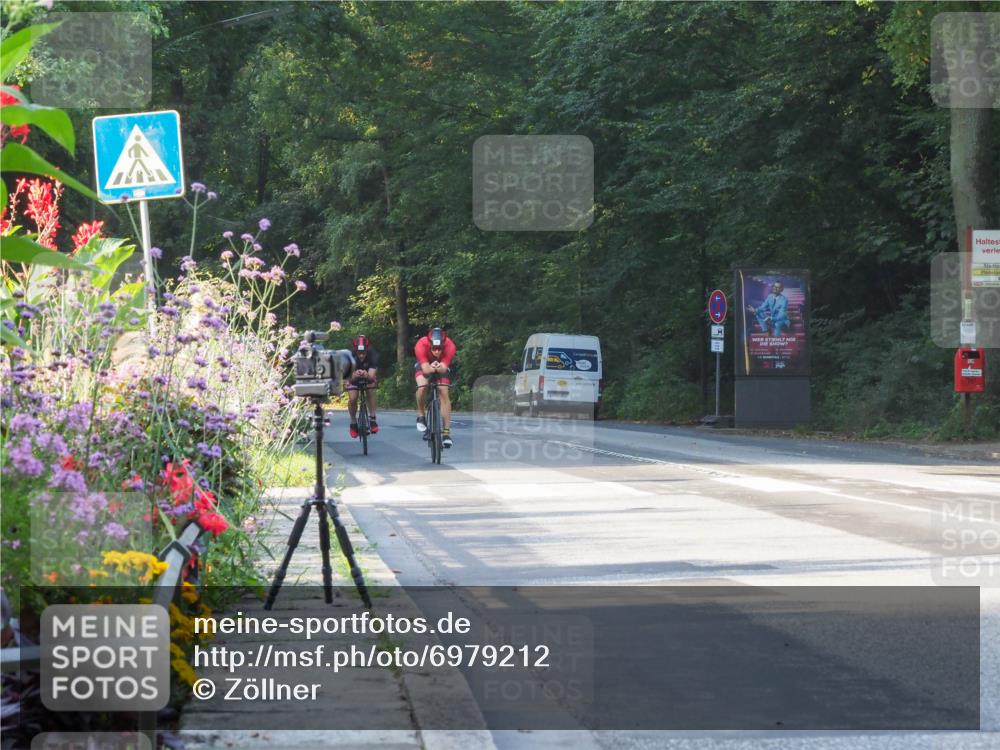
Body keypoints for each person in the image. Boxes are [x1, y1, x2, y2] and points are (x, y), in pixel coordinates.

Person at [414, 326, 456, 448]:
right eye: (434, 348)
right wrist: (431, 367)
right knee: (422, 387)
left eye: (439, 349)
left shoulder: (450, 345)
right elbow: (426, 371)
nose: (437, 351)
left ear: (443, 345)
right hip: (424, 364)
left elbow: (443, 368)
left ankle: (446, 433)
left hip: (441, 365)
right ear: (429, 344)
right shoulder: (421, 344)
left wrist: (438, 366)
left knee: (443, 391)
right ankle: (421, 415)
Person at [346, 334, 379, 439]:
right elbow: (347, 377)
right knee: (353, 398)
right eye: (359, 353)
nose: (361, 356)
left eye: (363, 353)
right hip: (353, 377)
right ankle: (353, 423)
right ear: (355, 350)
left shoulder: (373, 355)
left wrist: (367, 375)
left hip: (367, 375)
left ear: (367, 350)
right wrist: (353, 377)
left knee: (371, 388)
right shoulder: (349, 356)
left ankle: (373, 419)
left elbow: (372, 375)